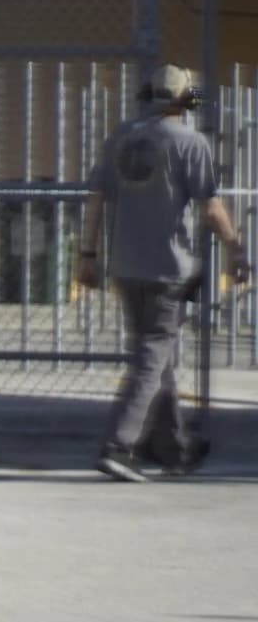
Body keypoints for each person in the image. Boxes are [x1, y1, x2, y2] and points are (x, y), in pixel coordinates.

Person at [77, 67, 247, 481]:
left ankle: (172, 447)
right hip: (168, 267)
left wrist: (87, 253)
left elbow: (96, 197)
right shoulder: (190, 142)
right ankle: (119, 445)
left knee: (158, 355)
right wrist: (236, 249)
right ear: (185, 99)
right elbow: (211, 207)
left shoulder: (121, 137)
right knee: (153, 357)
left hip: (126, 264)